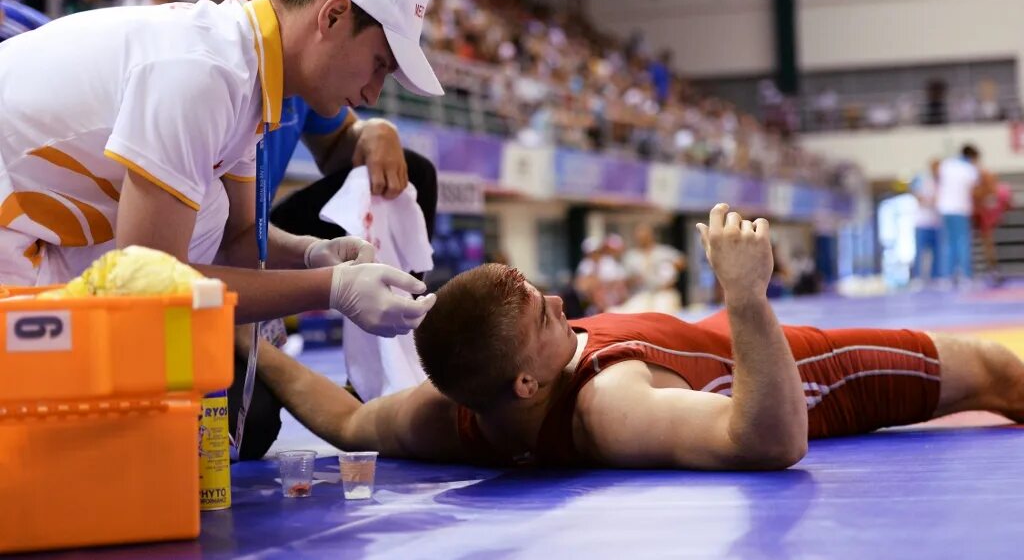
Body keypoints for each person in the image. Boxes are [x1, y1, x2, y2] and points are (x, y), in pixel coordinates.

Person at [247, 204, 1024, 470]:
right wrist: (748, 296)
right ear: (526, 383)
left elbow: (348, 420)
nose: (558, 300)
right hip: (770, 365)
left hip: (703, 333)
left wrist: (255, 348)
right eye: (543, 314)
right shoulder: (609, 405)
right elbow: (772, 441)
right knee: (996, 370)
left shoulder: (452, 405)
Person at [0, 0, 441, 338]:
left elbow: (239, 237)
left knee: (208, 207)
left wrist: (311, 252)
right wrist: (331, 289)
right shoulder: (206, 72)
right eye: (380, 64)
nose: (374, 92)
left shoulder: (241, 58)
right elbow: (149, 289)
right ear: (334, 15)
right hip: (14, 233)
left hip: (29, 225)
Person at [199, 0, 441, 458]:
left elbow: (243, 231)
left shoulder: (279, 84)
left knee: (403, 170)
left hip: (240, 244)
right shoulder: (213, 78)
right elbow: (163, 271)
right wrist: (327, 287)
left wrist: (375, 132)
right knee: (246, 428)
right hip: (181, 262)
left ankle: (388, 362)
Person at [936, 144, 981, 284]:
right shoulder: (970, 169)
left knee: (948, 243)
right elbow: (975, 191)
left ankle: (947, 276)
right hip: (960, 209)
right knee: (962, 242)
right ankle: (965, 275)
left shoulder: (946, 164)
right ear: (972, 157)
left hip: (944, 208)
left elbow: (938, 180)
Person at [910, 159, 941, 284]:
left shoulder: (940, 182)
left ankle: (935, 277)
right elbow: (918, 197)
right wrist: (931, 201)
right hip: (922, 223)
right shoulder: (922, 179)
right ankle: (918, 277)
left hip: (936, 223)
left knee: (937, 253)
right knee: (920, 252)